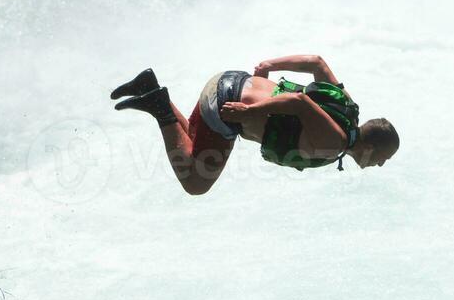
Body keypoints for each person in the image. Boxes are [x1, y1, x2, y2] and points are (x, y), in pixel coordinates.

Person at [111, 55, 399, 196]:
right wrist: (249, 111)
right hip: (229, 105)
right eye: (383, 159)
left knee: (194, 149)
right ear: (370, 147)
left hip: (234, 81)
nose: (381, 165)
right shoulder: (335, 141)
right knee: (196, 183)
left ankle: (152, 89)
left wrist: (268, 64)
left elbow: (317, 63)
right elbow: (299, 103)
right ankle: (159, 106)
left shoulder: (347, 108)